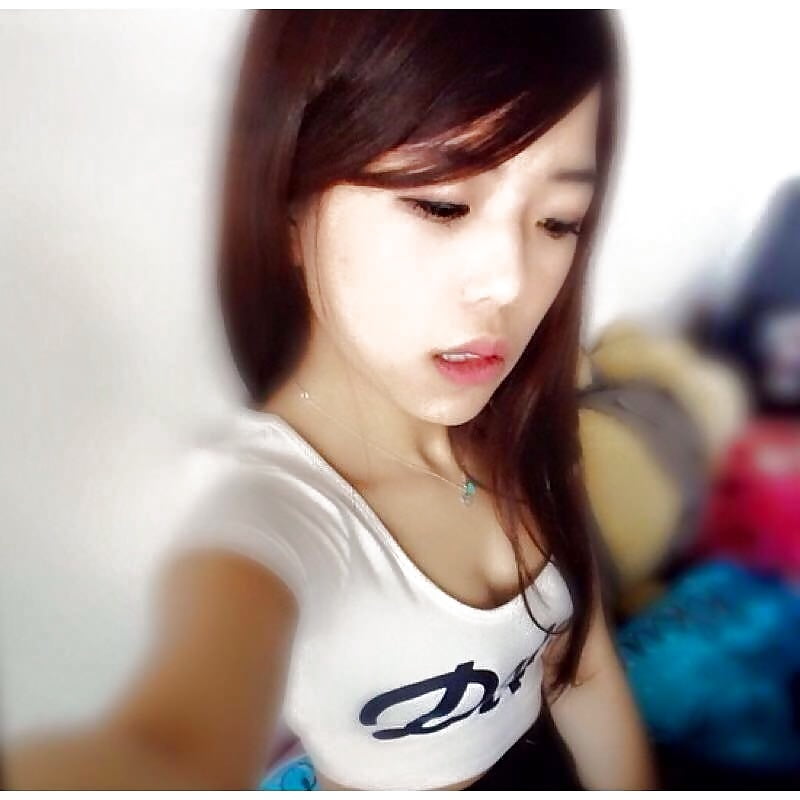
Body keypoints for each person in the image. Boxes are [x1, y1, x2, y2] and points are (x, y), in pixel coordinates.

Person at [5, 10, 658, 789]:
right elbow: (171, 747)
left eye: (559, 220)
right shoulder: (261, 515)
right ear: (291, 201)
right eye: (442, 203)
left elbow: (579, 666)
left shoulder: (521, 424)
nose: (511, 284)